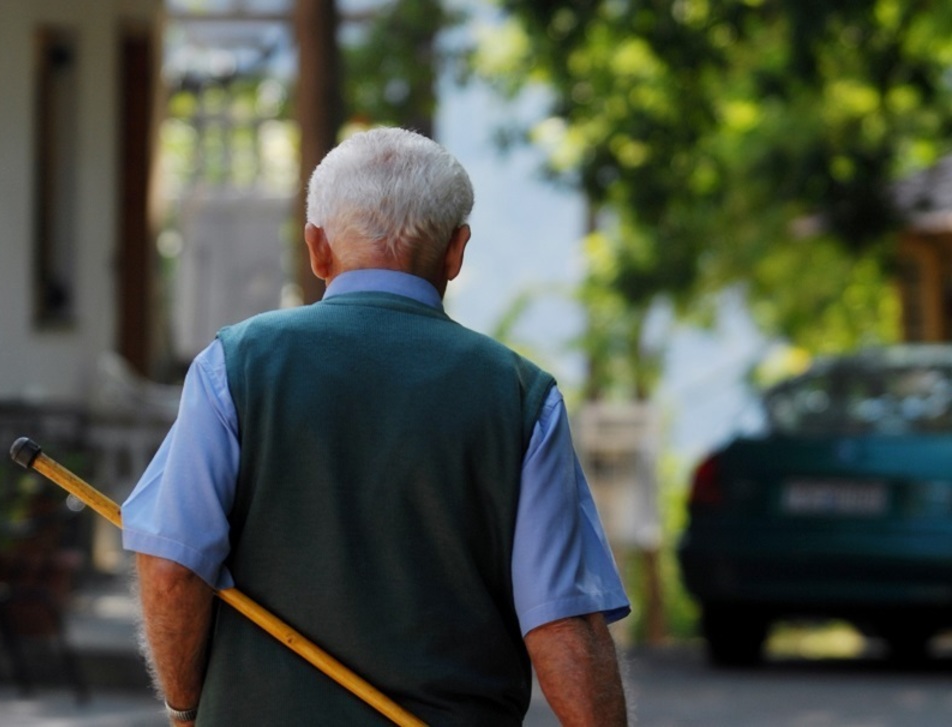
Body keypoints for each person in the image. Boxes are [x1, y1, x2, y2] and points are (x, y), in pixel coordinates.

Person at [122, 127, 630, 726]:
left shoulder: (234, 366)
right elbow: (564, 622)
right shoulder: (520, 396)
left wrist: (185, 710)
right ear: (455, 252)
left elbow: (172, 567)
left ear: (317, 248)